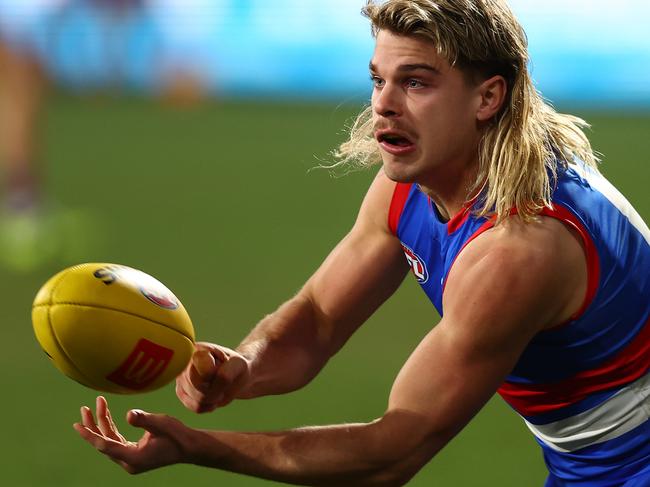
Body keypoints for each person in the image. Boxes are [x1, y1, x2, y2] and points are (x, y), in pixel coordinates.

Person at [73, 1, 650, 485]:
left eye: (416, 82)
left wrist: (198, 446)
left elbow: (394, 452)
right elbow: (318, 320)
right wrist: (241, 367)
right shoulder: (418, 182)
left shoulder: (517, 250)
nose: (383, 105)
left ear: (488, 98)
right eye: (379, 79)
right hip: (592, 464)